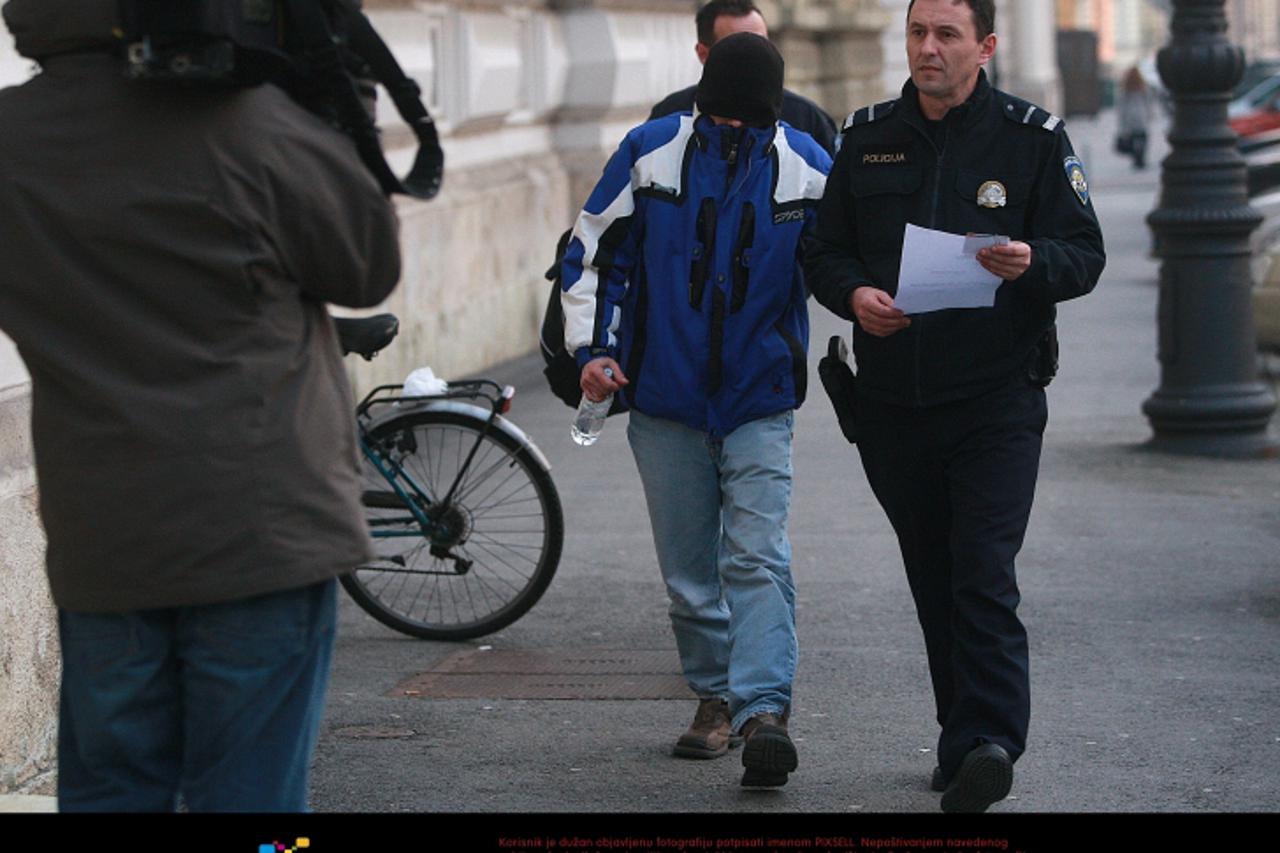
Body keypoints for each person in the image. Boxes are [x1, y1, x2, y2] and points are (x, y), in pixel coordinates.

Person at [0, 0, 401, 811]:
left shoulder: (12, 137)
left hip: (104, 533)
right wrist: (340, 109)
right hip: (262, 529)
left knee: (111, 793)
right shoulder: (248, 123)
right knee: (258, 807)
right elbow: (366, 266)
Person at [804, 0, 1105, 812]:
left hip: (996, 399)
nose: (928, 49)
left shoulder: (1031, 139)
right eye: (917, 33)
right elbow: (823, 250)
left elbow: (1085, 255)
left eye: (946, 34)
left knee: (983, 571)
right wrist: (854, 294)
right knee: (935, 576)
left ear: (986, 46)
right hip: (893, 403)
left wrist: (1032, 261)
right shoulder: (867, 136)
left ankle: (992, 741)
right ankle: (961, 742)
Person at [562, 32, 831, 788]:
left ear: (772, 112)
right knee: (689, 574)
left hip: (760, 397)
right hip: (664, 397)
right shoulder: (649, 152)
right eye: (720, 116)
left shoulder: (809, 166)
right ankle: (714, 697)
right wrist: (592, 352)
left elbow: (844, 263)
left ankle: (763, 711)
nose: (731, 129)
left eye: (747, 118)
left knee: (757, 554)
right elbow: (593, 254)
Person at [649, 1, 838, 157]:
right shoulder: (668, 113)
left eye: (762, 44)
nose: (755, 57)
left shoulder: (806, 118)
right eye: (738, 48)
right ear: (704, 54)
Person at [1116, 65, 1153, 170]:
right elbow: (1148, 103)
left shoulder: (1125, 89)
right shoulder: (1143, 88)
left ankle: (1136, 159)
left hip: (1130, 118)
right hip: (1141, 116)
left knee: (1133, 140)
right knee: (1142, 139)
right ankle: (1141, 158)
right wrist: (1149, 115)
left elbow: (1122, 107)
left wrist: (1122, 124)